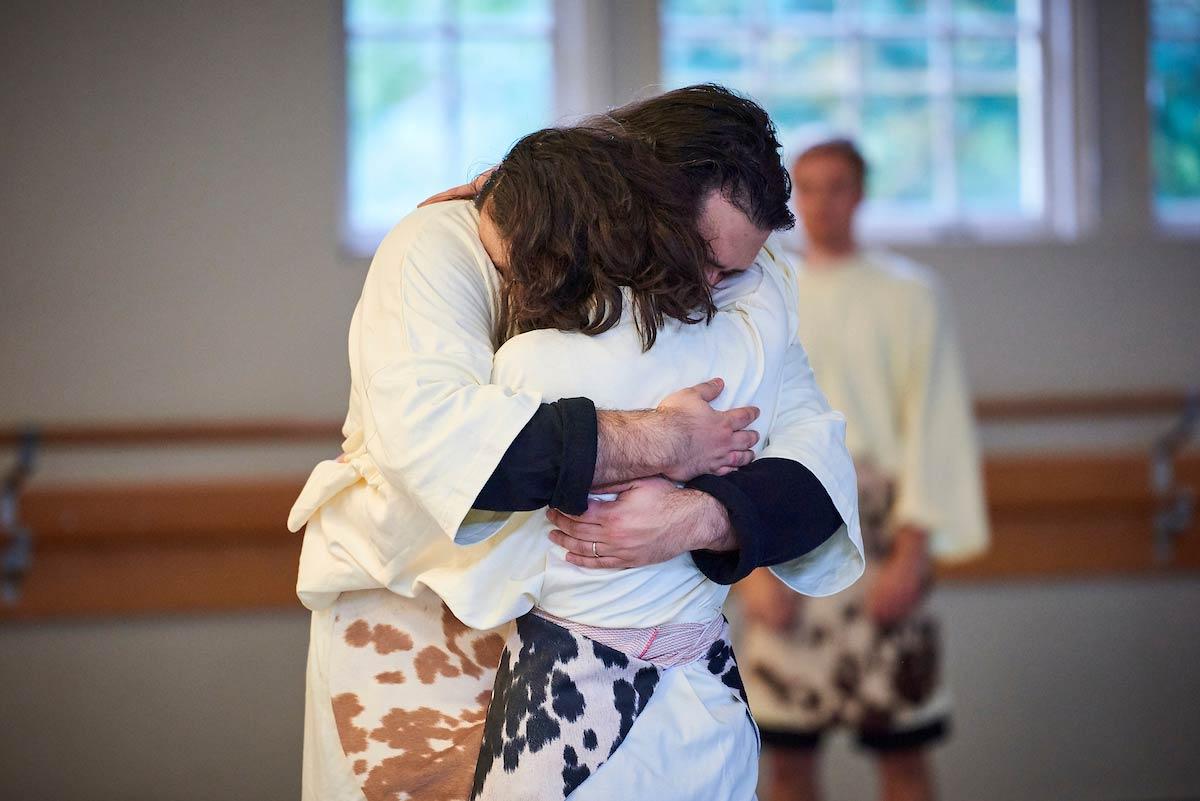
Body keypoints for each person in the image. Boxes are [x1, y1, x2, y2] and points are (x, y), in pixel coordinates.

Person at [288, 87, 863, 801]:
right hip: (418, 628)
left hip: (597, 657)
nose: (715, 287)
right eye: (707, 257)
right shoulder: (444, 246)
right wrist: (669, 439)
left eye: (735, 270)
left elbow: (816, 469)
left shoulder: (743, 287)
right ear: (640, 190)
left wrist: (699, 518)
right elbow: (440, 442)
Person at [736, 138, 989, 801]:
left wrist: (914, 551)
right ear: (792, 195)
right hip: (786, 524)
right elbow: (745, 426)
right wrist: (754, 564)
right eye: (809, 186)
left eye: (838, 185)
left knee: (901, 751)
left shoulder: (911, 294)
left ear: (862, 192)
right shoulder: (765, 293)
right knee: (786, 758)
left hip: (882, 531)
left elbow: (935, 423)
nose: (823, 202)